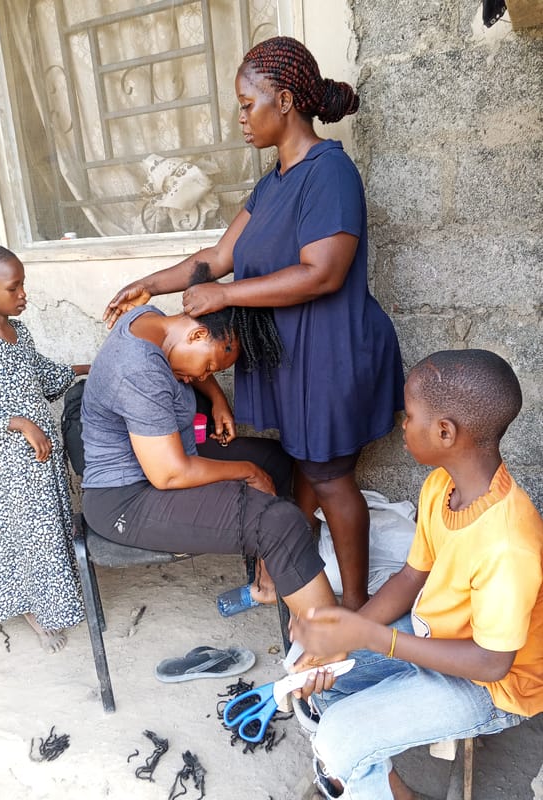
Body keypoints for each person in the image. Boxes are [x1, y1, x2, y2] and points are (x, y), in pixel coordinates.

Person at [102, 35, 405, 612]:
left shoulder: (330, 172)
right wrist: (152, 284)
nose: (240, 117)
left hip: (331, 350)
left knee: (330, 475)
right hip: (292, 354)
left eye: (247, 104)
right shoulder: (273, 183)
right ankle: (293, 581)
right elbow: (218, 257)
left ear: (285, 100)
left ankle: (357, 612)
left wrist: (223, 295)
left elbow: (323, 274)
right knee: (306, 463)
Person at [289, 349, 543, 800]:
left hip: (497, 686)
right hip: (438, 638)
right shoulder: (442, 486)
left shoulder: (507, 544)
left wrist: (373, 638)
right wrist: (346, 637)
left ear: (445, 432)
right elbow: (411, 577)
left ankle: (355, 770)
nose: (402, 425)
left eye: (409, 416)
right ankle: (388, 788)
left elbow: (492, 662)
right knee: (311, 672)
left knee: (337, 740)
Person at [80, 263, 337, 620]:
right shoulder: (137, 369)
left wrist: (217, 399)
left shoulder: (152, 322)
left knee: (275, 460)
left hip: (164, 459)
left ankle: (267, 584)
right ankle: (331, 640)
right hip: (126, 498)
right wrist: (247, 472)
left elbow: (185, 357)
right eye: (210, 367)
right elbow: (169, 474)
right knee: (280, 523)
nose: (201, 376)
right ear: (198, 334)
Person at [0, 243, 89, 653]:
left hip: (40, 462)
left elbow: (43, 374)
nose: (23, 294)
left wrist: (90, 367)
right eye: (14, 287)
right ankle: (34, 614)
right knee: (24, 538)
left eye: (23, 284)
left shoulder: (18, 332)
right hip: (8, 468)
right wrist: (21, 423)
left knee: (48, 532)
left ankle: (54, 602)